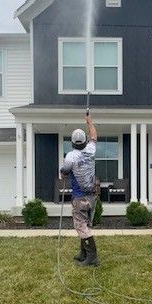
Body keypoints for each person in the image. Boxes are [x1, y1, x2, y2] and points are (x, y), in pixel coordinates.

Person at [60, 112, 99, 267]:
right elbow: (94, 135)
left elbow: (63, 174)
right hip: (92, 197)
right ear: (84, 141)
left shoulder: (70, 156)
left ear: (72, 142)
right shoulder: (91, 149)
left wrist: (64, 172)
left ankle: (92, 257)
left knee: (81, 226)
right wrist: (89, 122)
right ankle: (83, 253)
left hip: (79, 197)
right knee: (85, 225)